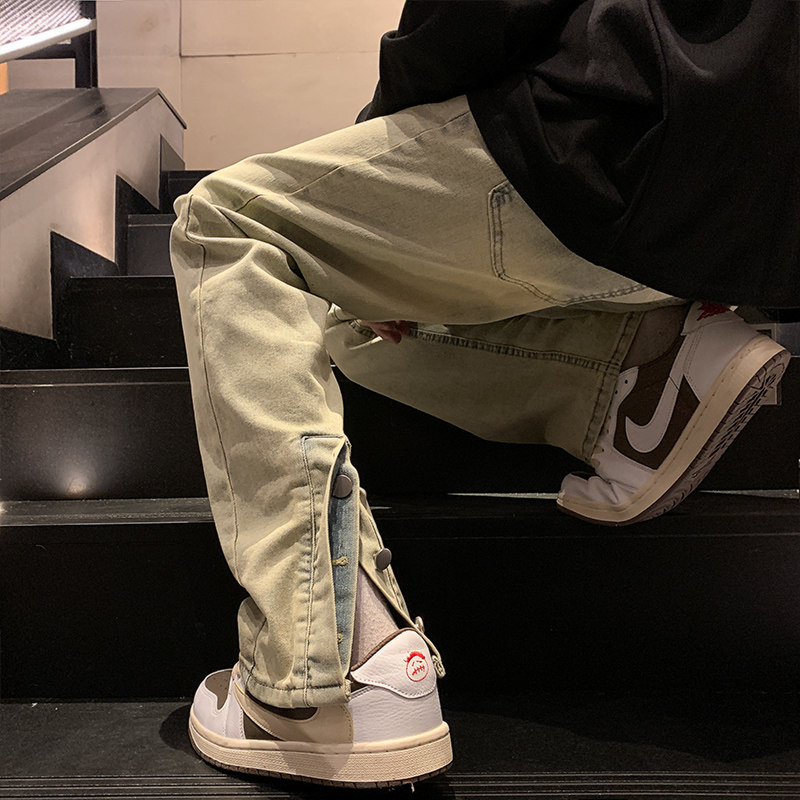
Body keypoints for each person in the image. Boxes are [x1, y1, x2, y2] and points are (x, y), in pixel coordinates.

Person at [169, 0, 797, 789]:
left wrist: (387, 139)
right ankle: (645, 371)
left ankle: (330, 669)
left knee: (226, 221)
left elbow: (474, 14)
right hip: (760, 201)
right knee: (345, 326)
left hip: (608, 134)